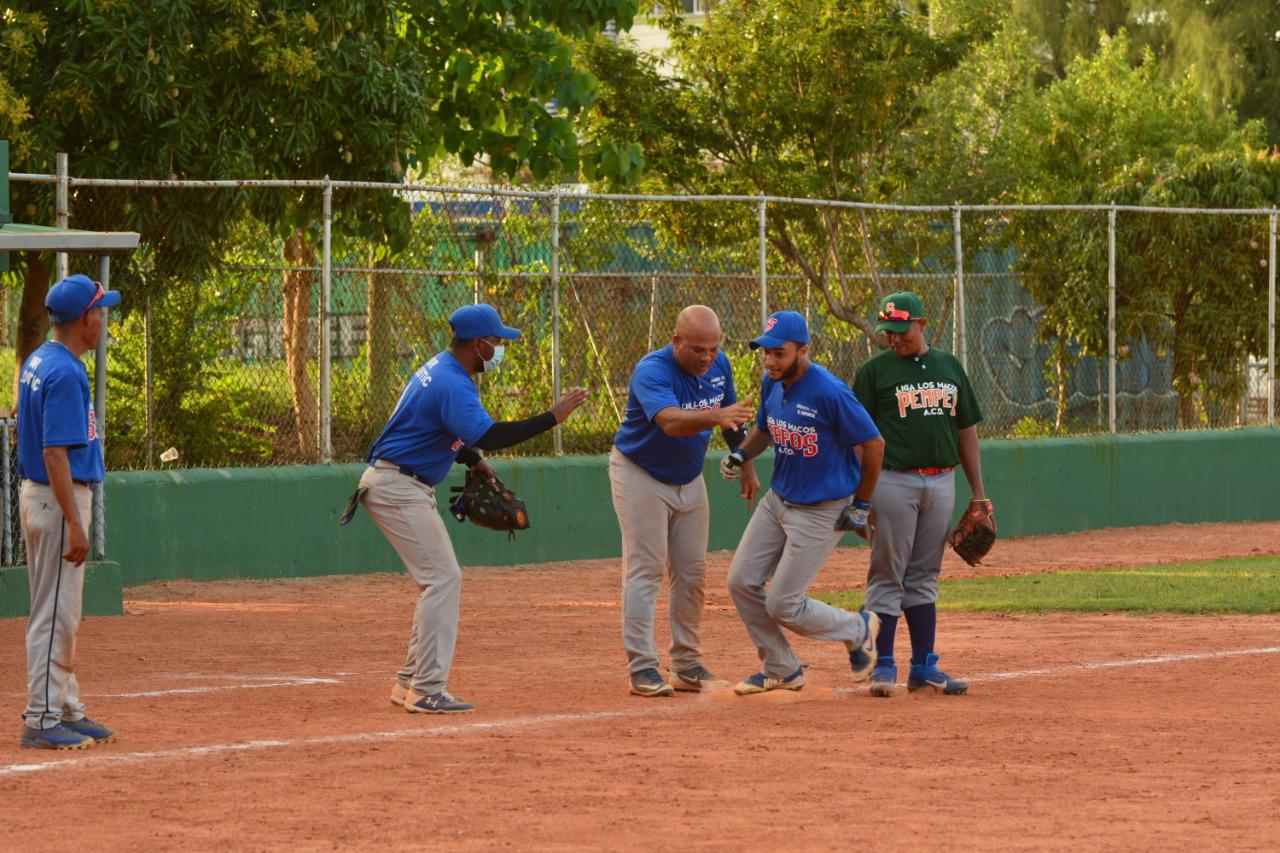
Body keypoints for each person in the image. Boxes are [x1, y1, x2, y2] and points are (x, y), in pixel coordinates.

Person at [356, 304, 588, 713]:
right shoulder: (453, 382)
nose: (500, 348)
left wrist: (471, 459)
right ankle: (426, 689)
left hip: (398, 481)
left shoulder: (442, 367)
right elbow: (493, 434)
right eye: (496, 342)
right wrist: (553, 417)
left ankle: (410, 681)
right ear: (478, 344)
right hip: (398, 486)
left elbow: (441, 426)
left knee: (437, 581)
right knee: (443, 579)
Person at [721, 310, 885, 695]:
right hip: (779, 499)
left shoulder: (830, 392)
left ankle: (858, 628)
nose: (770, 360)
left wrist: (862, 503)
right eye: (766, 352)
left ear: (803, 350)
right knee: (741, 581)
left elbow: (874, 444)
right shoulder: (771, 383)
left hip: (821, 508)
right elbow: (764, 428)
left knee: (784, 604)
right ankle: (781, 667)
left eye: (780, 353)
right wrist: (742, 456)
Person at [610, 305, 758, 697]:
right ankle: (642, 668)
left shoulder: (719, 365)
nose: (706, 358)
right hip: (640, 472)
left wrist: (745, 462)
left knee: (692, 575)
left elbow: (732, 421)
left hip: (688, 478)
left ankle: (687, 665)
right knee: (646, 569)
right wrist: (716, 415)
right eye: (697, 350)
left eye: (713, 349)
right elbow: (671, 422)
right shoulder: (652, 370)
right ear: (676, 341)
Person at [851, 291, 990, 696]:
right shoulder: (874, 372)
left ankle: (923, 666)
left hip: (942, 480)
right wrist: (860, 495)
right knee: (888, 572)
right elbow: (856, 439)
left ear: (922, 324)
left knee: (925, 573)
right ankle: (883, 666)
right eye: (888, 332)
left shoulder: (949, 366)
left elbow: (966, 430)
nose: (894, 338)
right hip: (892, 481)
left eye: (901, 330)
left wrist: (978, 492)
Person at [17, 274, 121, 750]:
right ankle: (40, 719)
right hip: (58, 498)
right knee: (54, 615)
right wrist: (77, 522)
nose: (104, 319)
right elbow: (56, 454)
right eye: (100, 311)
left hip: (43, 496)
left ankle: (64, 709)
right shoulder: (64, 372)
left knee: (62, 613)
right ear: (85, 319)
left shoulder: (43, 358)